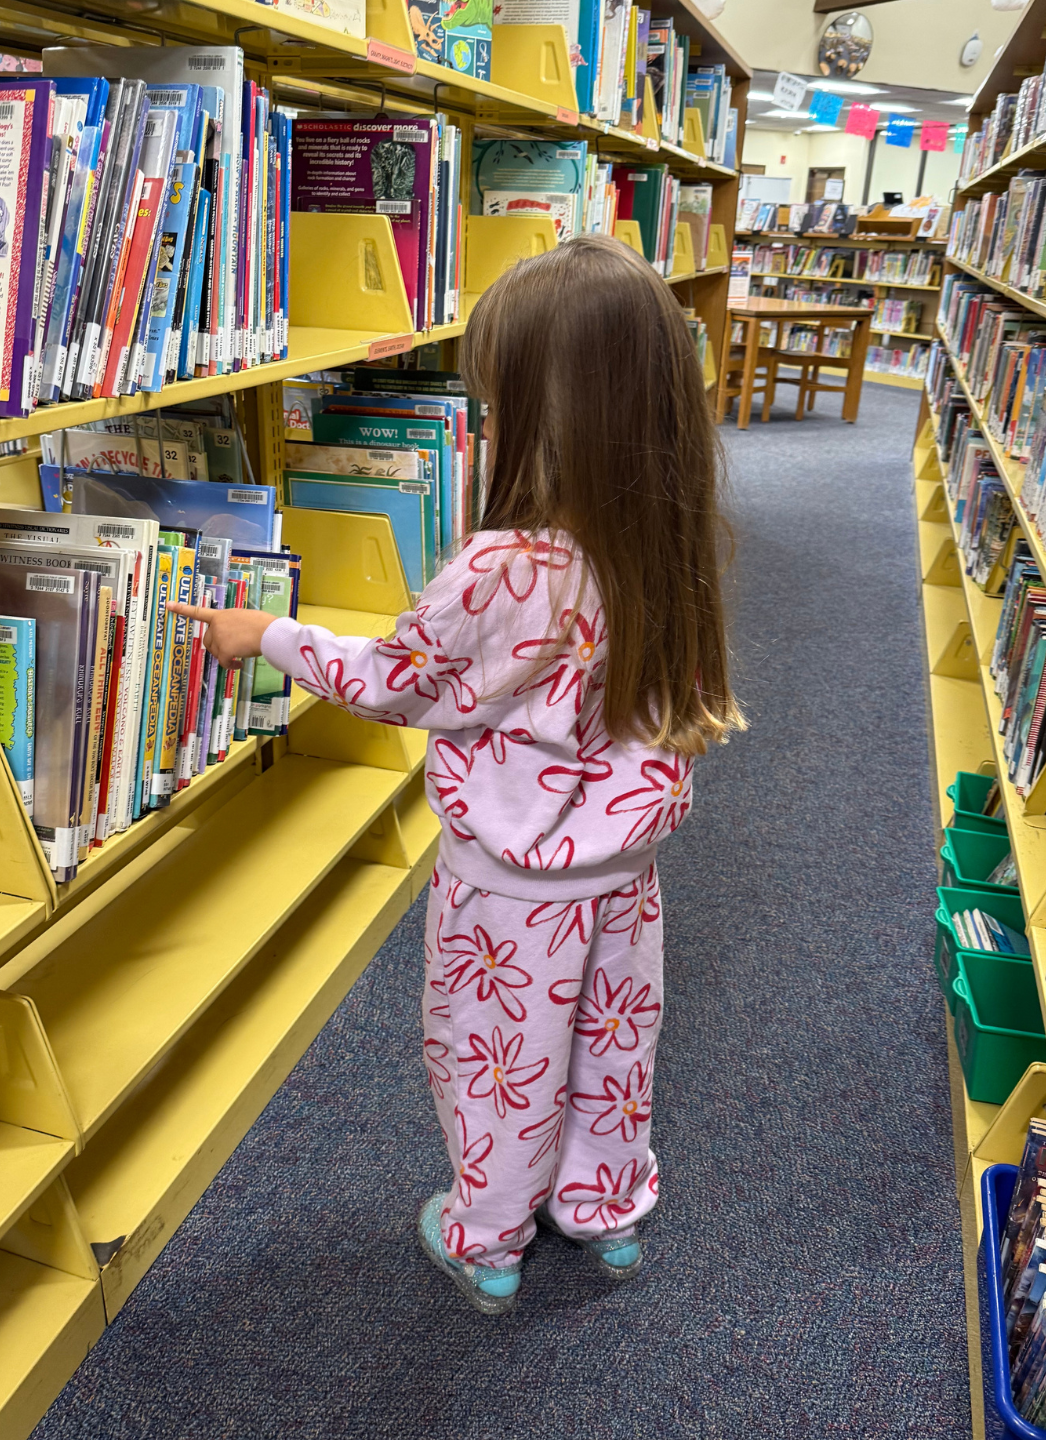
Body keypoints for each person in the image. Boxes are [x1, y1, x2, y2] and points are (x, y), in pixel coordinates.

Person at [168, 233, 743, 1317]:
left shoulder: (505, 567)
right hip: (625, 874)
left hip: (510, 890)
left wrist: (272, 635)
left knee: (498, 1060)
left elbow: (400, 680)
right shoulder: (666, 537)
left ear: (540, 414)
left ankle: (488, 1240)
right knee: (612, 1044)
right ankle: (604, 1213)